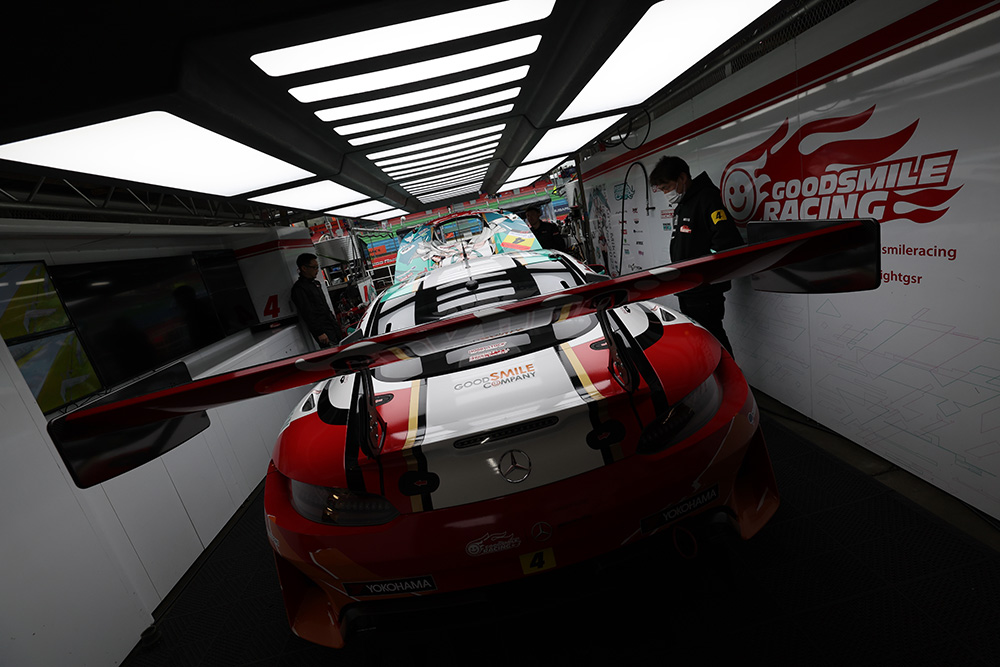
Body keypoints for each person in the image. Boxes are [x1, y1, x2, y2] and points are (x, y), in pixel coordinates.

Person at [649, 155, 745, 356]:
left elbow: (728, 242)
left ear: (682, 178)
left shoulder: (707, 199)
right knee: (701, 341)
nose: (666, 194)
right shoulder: (683, 205)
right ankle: (713, 374)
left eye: (667, 187)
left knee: (713, 337)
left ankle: (730, 374)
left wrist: (704, 273)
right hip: (687, 288)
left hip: (704, 291)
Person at [290, 253, 340, 347]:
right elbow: (307, 313)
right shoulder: (299, 289)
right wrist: (319, 332)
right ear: (304, 268)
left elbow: (325, 307)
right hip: (323, 330)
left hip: (332, 324)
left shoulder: (316, 284)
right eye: (314, 267)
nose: (317, 270)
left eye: (317, 267)